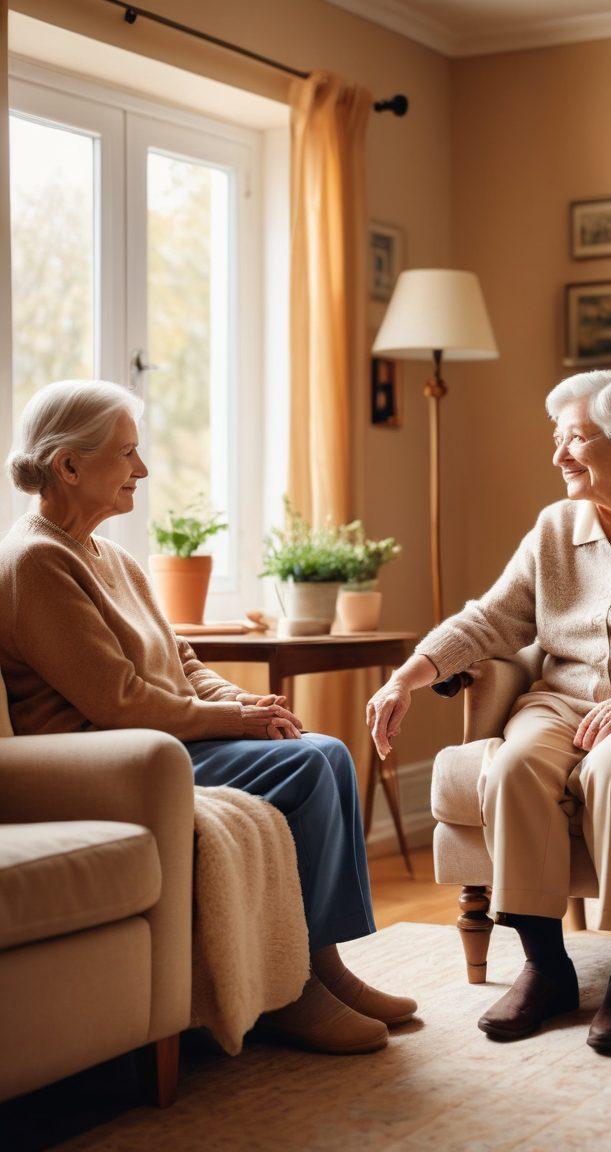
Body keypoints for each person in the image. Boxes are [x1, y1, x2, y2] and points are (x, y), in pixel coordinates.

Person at [1, 378, 415, 1056]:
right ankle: (295, 989)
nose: (143, 469)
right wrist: (234, 723)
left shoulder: (113, 557)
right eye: (127, 453)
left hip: (159, 737)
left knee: (325, 749)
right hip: (112, 758)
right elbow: (120, 700)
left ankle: (324, 961)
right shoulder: (36, 561)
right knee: (311, 767)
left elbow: (183, 663)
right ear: (69, 465)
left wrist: (244, 703)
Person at [367, 368, 611, 1055]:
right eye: (558, 438)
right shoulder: (555, 526)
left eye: (574, 439)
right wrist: (407, 676)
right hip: (560, 699)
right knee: (515, 766)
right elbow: (492, 618)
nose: (557, 454)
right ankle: (546, 967)